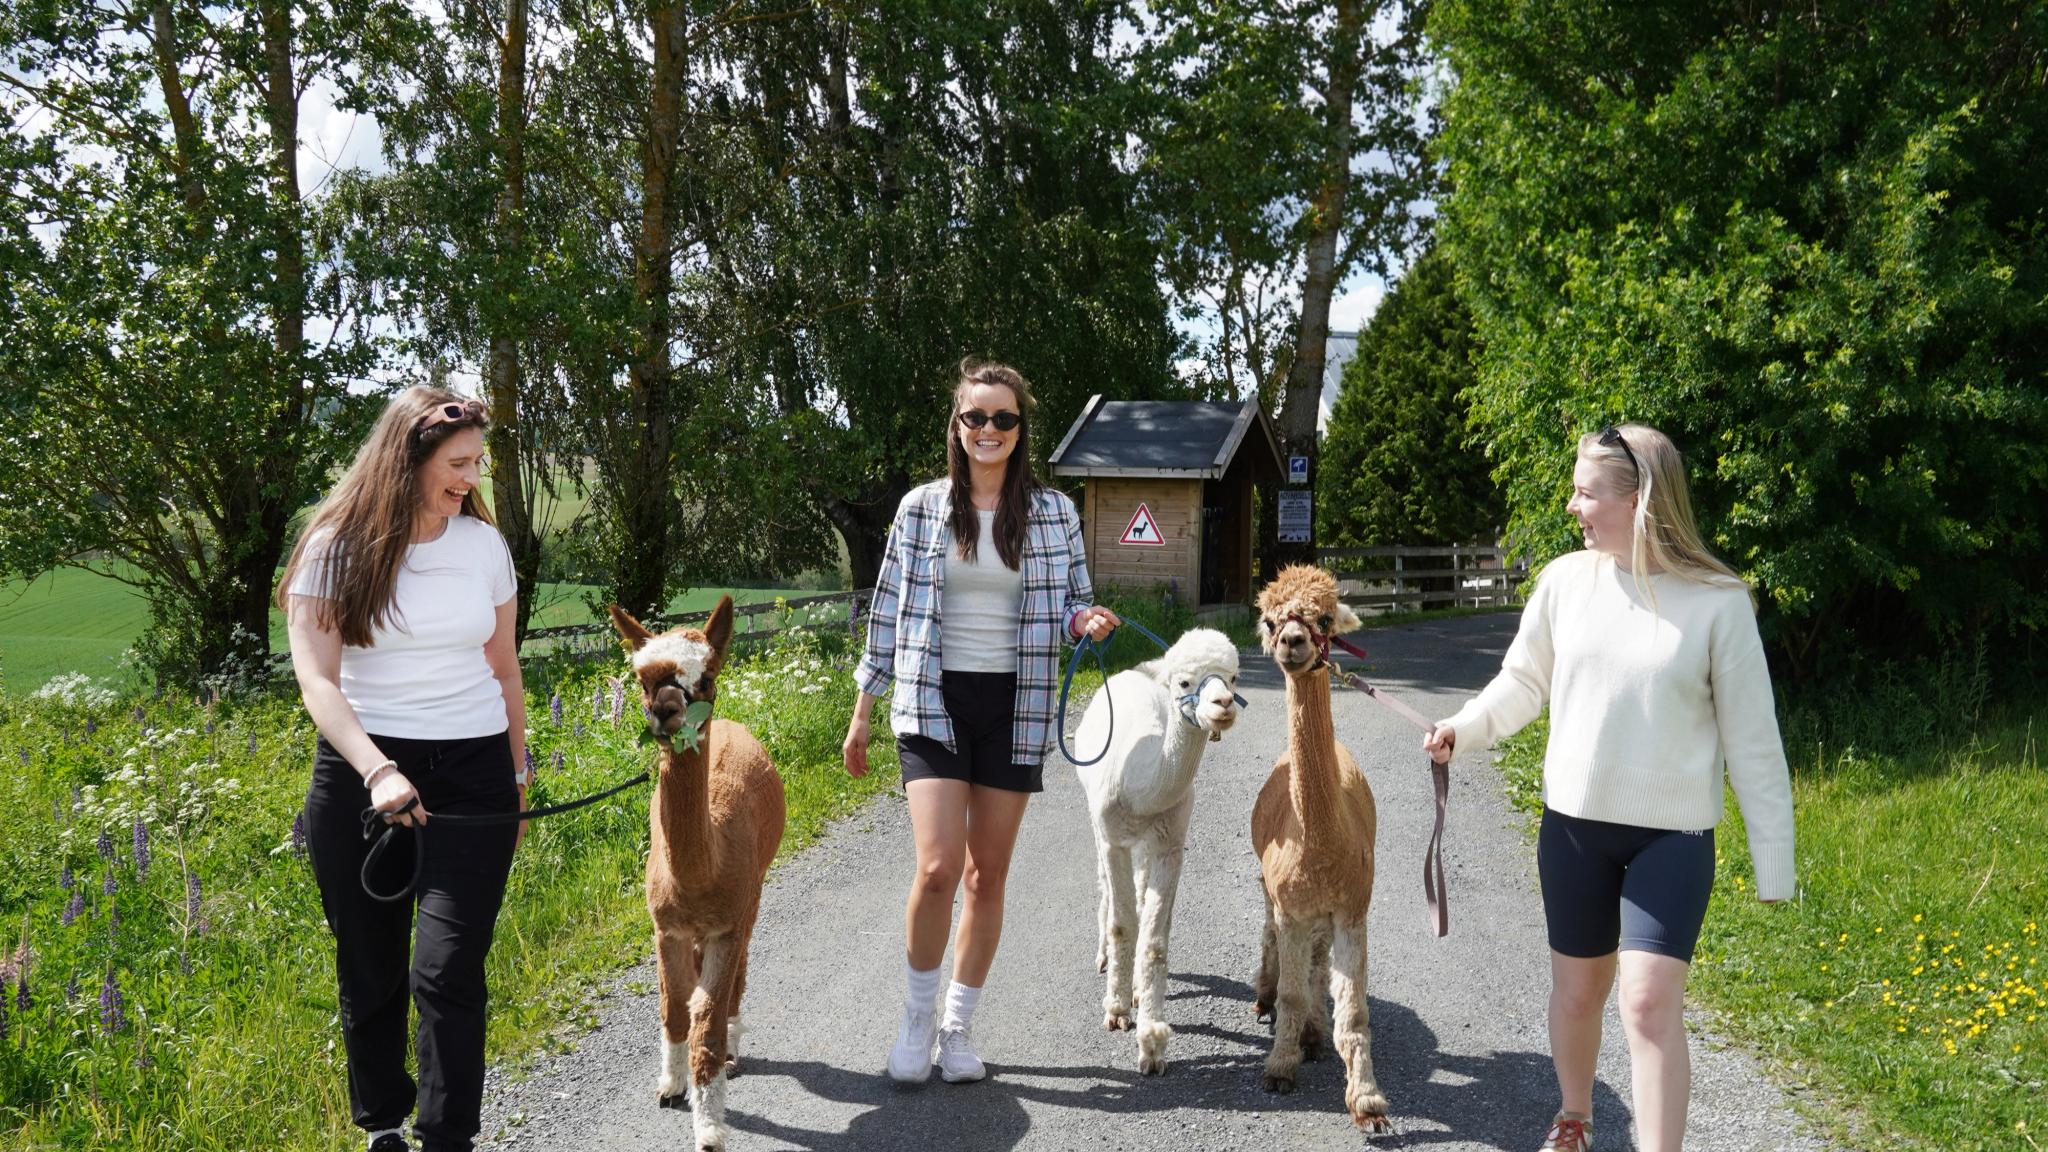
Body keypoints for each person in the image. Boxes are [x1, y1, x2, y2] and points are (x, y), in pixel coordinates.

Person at [1422, 424, 1795, 1152]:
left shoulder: (1719, 602)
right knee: (1580, 992)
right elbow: (1523, 682)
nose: (1572, 507)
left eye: (1587, 493)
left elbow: (1755, 741)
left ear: (1640, 500)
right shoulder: (1564, 582)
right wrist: (1462, 728)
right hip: (1574, 831)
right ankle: (1576, 1117)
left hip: (1672, 836)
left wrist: (1773, 861)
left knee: (1650, 1001)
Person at [843, 359, 1119, 1085]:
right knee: (937, 870)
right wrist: (862, 713)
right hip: (933, 701)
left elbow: (1072, 606)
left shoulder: (1054, 513)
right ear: (956, 427)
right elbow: (887, 613)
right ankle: (914, 1020)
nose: (988, 430)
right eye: (976, 417)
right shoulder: (921, 509)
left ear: (1020, 430)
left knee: (986, 874)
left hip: (1016, 706)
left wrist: (1085, 620)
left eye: (1003, 418)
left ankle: (958, 1031)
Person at [280, 387, 528, 1152]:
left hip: (475, 773)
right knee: (371, 967)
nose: (471, 480)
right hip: (363, 775)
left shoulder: (483, 546)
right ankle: (382, 1125)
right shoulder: (332, 546)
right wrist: (379, 771)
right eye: (458, 464)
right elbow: (318, 679)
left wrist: (519, 776)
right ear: (406, 460)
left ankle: (449, 1138)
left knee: (447, 969)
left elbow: (506, 667)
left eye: (478, 463)